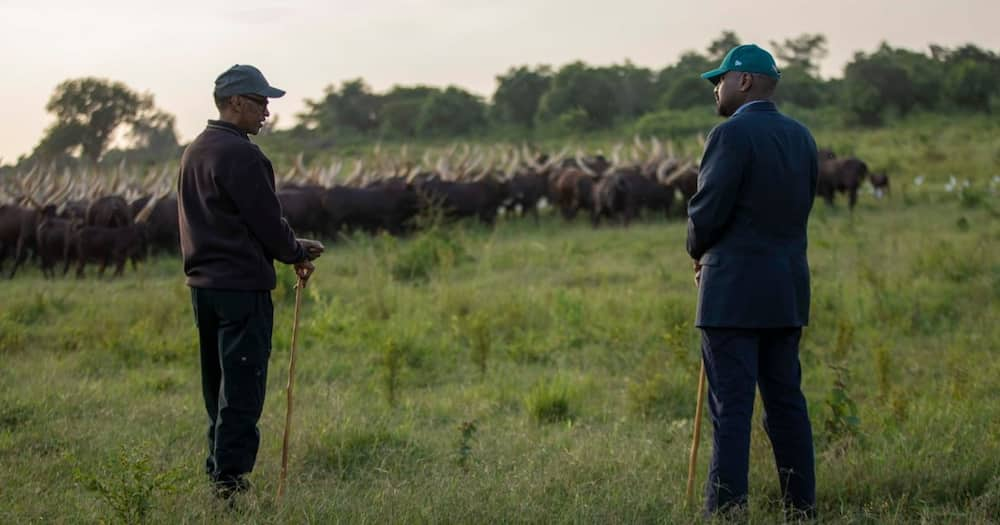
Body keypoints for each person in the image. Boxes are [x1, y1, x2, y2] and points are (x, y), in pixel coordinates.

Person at [177, 64, 325, 499]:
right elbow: (266, 222)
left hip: (204, 290)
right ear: (236, 102)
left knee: (217, 389)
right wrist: (295, 252)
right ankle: (231, 489)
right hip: (242, 289)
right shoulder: (242, 155)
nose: (266, 112)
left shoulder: (195, 150)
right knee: (242, 392)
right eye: (260, 102)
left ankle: (217, 474)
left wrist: (291, 245)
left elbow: (227, 221)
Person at [687, 44, 818, 518]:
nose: (715, 89)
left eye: (718, 80)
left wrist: (697, 251)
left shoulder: (730, 136)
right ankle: (801, 509)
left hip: (732, 295)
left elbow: (707, 212)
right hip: (786, 292)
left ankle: (726, 512)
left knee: (732, 412)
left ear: (743, 81)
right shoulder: (802, 137)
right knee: (786, 405)